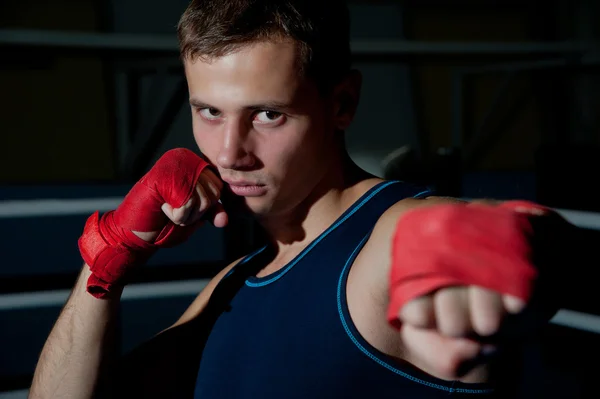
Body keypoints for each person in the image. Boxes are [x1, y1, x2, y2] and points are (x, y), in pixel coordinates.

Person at [29, 1, 582, 398]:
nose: (230, 152)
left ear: (342, 103)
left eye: (268, 114)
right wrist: (110, 256)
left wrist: (499, 239)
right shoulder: (237, 281)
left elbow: (500, 237)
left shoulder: (383, 242)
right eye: (209, 112)